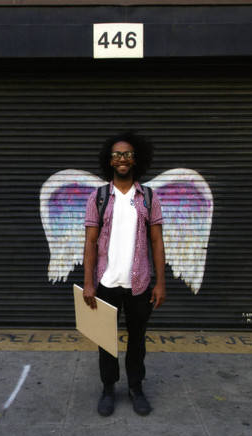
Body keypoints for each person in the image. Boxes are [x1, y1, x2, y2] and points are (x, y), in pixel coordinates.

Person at [83, 130, 166, 417]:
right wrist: (88, 284)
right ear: (109, 160)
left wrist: (161, 283)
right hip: (105, 283)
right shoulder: (99, 197)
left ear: (135, 159)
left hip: (139, 283)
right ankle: (108, 388)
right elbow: (90, 241)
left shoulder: (148, 197)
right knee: (105, 341)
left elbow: (156, 241)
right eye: (117, 154)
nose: (122, 159)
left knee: (137, 339)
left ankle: (135, 388)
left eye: (127, 154)